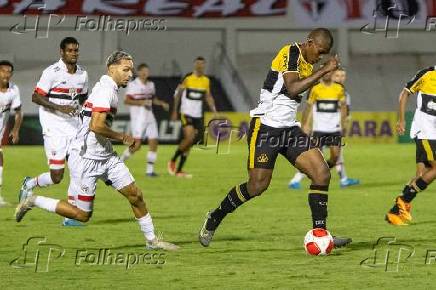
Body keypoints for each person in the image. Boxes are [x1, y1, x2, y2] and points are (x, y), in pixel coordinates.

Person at [198, 28, 351, 248]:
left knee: (322, 173)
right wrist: (323, 71)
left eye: (325, 54)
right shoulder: (291, 51)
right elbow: (292, 87)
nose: (320, 57)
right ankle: (215, 217)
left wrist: (319, 71)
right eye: (320, 51)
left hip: (289, 129)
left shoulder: (308, 64)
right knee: (257, 186)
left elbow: (301, 87)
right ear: (309, 42)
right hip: (266, 127)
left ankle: (321, 233)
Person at [15, 50, 178, 250]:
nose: (130, 74)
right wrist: (124, 137)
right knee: (82, 215)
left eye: (131, 70)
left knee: (135, 195)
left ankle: (152, 241)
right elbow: (96, 126)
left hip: (106, 156)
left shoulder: (110, 89)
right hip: (86, 159)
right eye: (125, 70)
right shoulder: (105, 91)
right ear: (112, 69)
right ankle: (33, 200)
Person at [19, 37, 88, 226]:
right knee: (57, 176)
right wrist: (60, 107)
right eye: (70, 50)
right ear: (62, 52)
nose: (74, 53)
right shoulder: (52, 72)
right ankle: (30, 183)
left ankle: (71, 216)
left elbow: (83, 98)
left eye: (76, 50)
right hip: (54, 128)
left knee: (78, 171)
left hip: (74, 128)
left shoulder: (82, 74)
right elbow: (36, 97)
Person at [288, 68, 359, 189]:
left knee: (336, 157)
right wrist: (305, 125)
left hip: (335, 130)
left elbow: (343, 110)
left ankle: (330, 175)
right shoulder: (315, 89)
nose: (341, 78)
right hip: (319, 131)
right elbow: (308, 108)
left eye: (343, 75)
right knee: (314, 158)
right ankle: (296, 180)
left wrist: (343, 125)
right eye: (339, 75)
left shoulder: (340, 90)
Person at [386, 66, 436, 226]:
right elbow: (405, 93)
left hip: (432, 132)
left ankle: (394, 212)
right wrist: (401, 119)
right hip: (425, 131)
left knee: (422, 174)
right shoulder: (427, 74)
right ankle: (404, 200)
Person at [168, 57, 217, 178]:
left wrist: (214, 110)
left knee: (193, 141)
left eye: (202, 64)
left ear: (204, 66)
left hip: (198, 115)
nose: (200, 66)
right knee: (189, 138)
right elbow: (178, 94)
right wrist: (174, 111)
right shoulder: (188, 78)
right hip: (186, 113)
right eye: (198, 64)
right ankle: (173, 159)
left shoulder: (206, 80)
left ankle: (179, 170)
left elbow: (208, 96)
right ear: (194, 65)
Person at [120, 63, 169, 177]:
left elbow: (153, 99)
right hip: (138, 118)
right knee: (136, 146)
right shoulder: (133, 85)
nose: (145, 73)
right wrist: (140, 102)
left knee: (154, 142)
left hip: (149, 116)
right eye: (143, 71)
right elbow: (127, 101)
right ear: (139, 72)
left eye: (147, 71)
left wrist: (161, 103)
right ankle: (120, 161)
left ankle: (149, 170)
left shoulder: (151, 85)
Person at [0, 60, 22, 206]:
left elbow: (18, 112)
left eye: (9, 71)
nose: (7, 74)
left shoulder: (13, 90)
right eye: (3, 71)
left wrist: (15, 129)